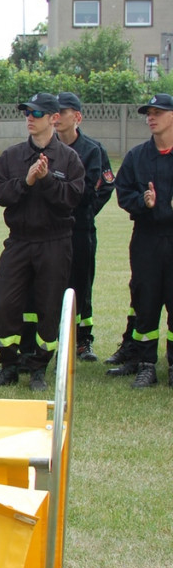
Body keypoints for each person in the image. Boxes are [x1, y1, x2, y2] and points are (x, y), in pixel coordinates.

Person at [0, 93, 85, 391]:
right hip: (20, 241)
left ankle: (39, 368)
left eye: (37, 113)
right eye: (27, 112)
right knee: (4, 302)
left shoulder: (69, 158)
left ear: (54, 118)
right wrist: (26, 182)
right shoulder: (12, 157)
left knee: (49, 306)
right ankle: (8, 365)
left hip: (54, 242)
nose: (30, 117)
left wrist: (47, 179)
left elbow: (73, 198)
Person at [113, 94, 173, 387]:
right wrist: (143, 201)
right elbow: (122, 193)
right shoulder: (137, 156)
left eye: (157, 112)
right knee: (146, 302)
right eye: (148, 113)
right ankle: (146, 364)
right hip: (147, 239)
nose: (151, 117)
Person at [55, 92, 114, 362]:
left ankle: (83, 340)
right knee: (52, 283)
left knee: (81, 283)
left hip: (80, 230)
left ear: (77, 117)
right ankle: (53, 338)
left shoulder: (92, 149)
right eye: (54, 111)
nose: (56, 116)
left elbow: (105, 186)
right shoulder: (48, 147)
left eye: (63, 111)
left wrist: (86, 213)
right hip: (52, 230)